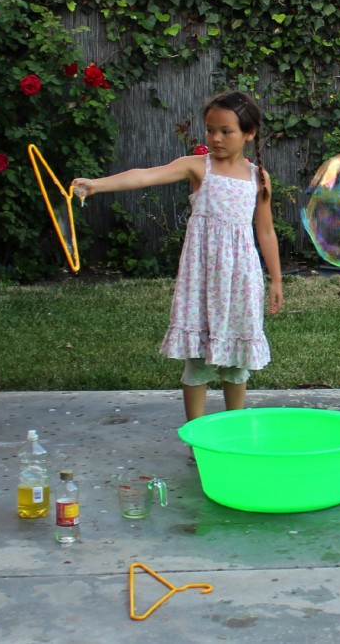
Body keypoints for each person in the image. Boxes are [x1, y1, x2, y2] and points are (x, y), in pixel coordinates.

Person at [72, 91, 284, 444]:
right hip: (202, 277)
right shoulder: (198, 167)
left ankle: (234, 438)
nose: (215, 138)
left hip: (240, 278)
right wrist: (96, 185)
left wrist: (275, 279)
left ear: (250, 133)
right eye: (210, 130)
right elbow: (145, 175)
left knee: (236, 362)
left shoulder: (258, 177)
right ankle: (197, 439)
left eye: (226, 131)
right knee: (198, 360)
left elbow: (265, 229)